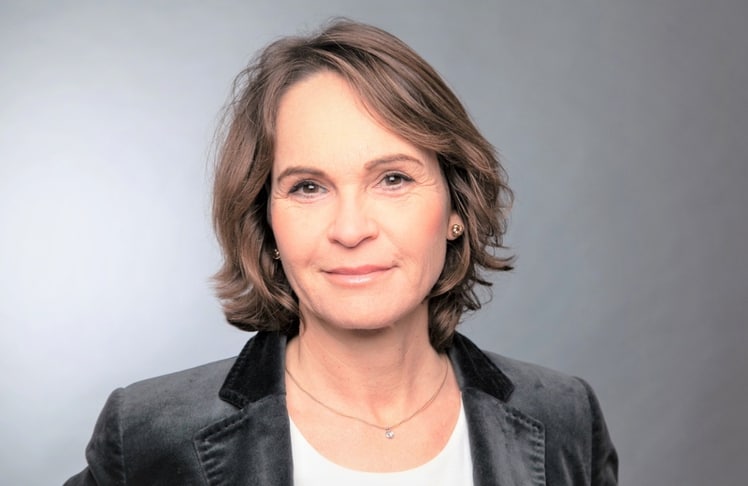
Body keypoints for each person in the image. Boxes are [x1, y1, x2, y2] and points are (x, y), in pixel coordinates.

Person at [65, 19, 617, 485]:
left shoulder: (564, 418)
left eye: (394, 178)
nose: (351, 230)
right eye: (308, 187)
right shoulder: (150, 437)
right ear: (266, 221)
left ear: (456, 206)